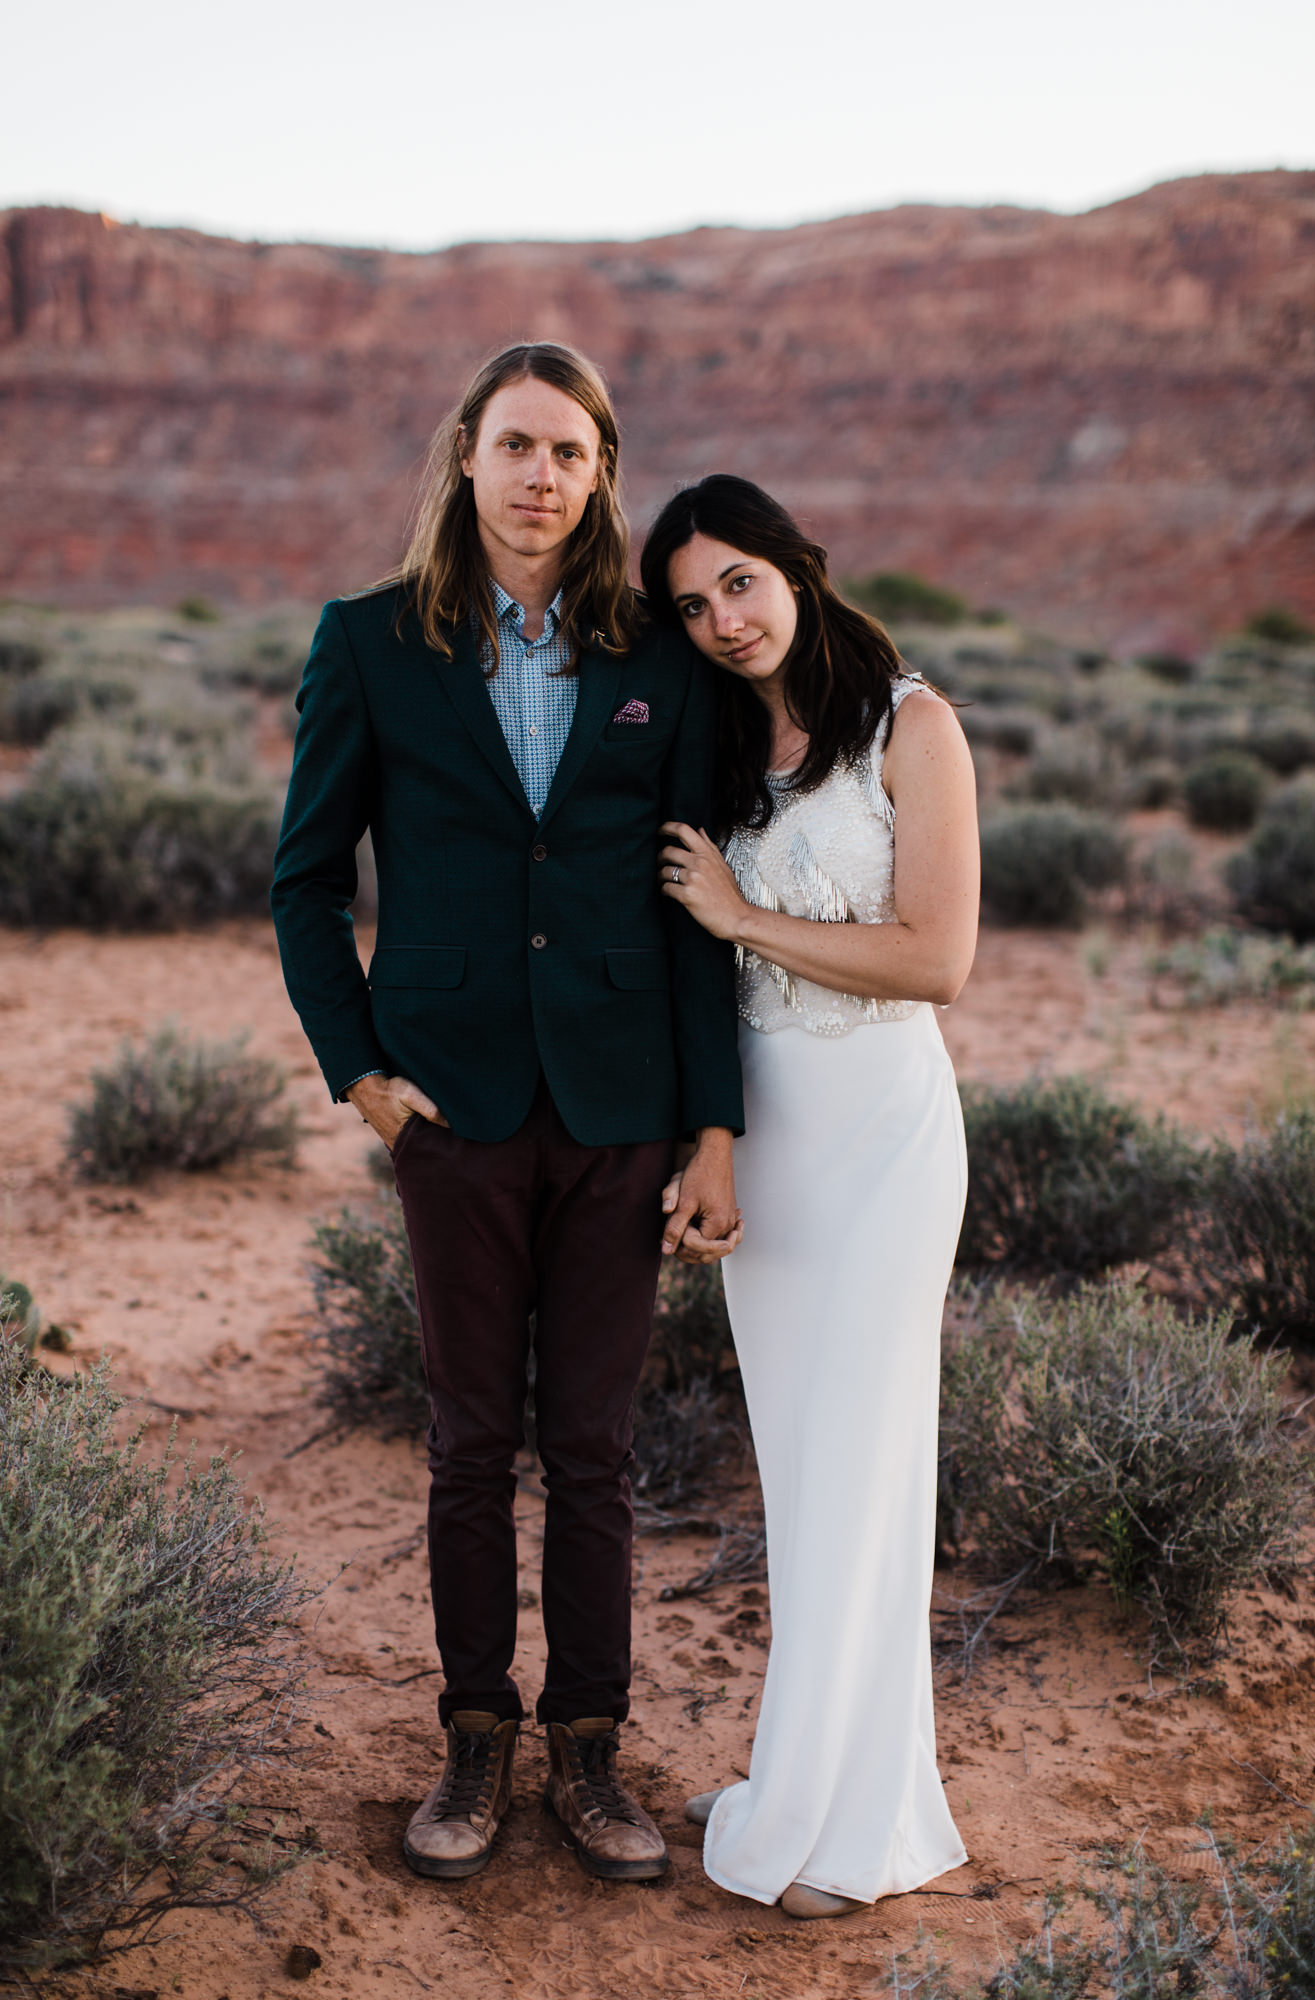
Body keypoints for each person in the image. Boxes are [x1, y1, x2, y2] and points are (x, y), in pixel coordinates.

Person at [271, 345, 744, 1887]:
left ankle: (589, 1754)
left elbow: (688, 912)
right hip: (451, 1106)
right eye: (516, 446)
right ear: (463, 456)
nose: (542, 478)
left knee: (595, 1449)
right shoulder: (367, 644)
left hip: (618, 1110)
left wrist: (711, 1125)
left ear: (601, 473)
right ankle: (474, 1738)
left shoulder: (651, 664)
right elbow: (303, 880)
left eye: (573, 453)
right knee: (473, 1443)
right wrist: (358, 1073)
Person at [642, 475, 979, 1920]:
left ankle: (853, 1820)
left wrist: (737, 913)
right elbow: (690, 977)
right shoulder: (714, 746)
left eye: (737, 583)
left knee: (870, 1461)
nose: (720, 620)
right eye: (691, 605)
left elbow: (933, 960)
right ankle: (819, 1779)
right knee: (802, 1472)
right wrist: (698, 1141)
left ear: (793, 564)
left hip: (885, 1138)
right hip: (763, 1139)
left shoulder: (914, 724)